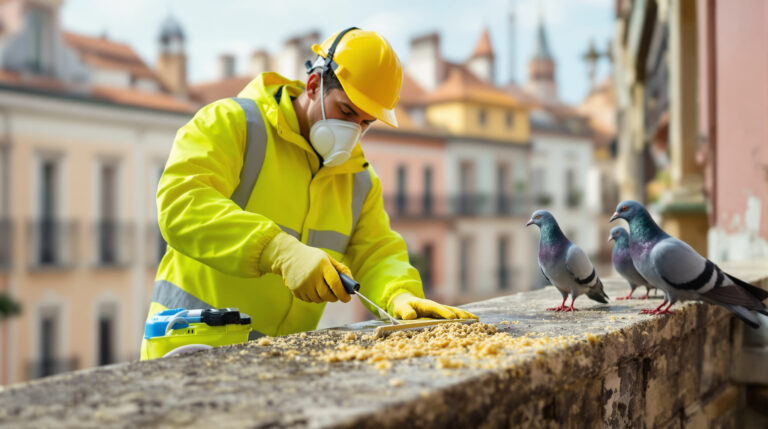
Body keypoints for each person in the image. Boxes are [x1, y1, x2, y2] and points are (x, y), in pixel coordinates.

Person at [140, 27, 476, 359]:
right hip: (188, 352)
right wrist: (280, 251)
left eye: (365, 122)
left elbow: (377, 252)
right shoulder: (230, 123)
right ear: (313, 86)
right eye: (346, 112)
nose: (353, 131)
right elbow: (181, 205)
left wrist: (399, 295)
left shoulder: (359, 179)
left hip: (277, 364)